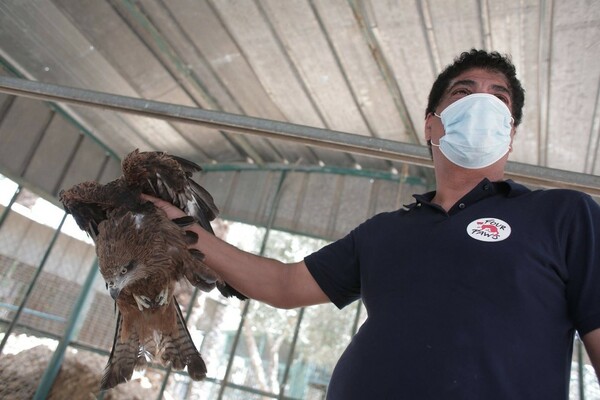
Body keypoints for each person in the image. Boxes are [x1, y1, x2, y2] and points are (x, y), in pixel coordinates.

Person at [146, 49, 600, 399]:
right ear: (431, 125)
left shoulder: (565, 215)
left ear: (511, 132)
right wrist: (184, 231)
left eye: (498, 98)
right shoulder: (385, 230)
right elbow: (285, 285)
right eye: (464, 92)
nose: (482, 102)